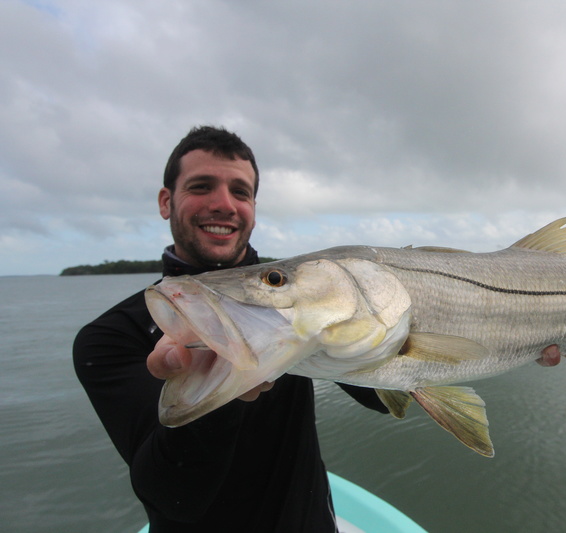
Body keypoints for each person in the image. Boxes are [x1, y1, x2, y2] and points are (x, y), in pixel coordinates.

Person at [73, 126, 388, 532]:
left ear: (254, 206)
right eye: (202, 186)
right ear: (166, 201)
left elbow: (383, 398)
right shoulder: (111, 336)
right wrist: (216, 389)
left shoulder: (304, 293)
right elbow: (173, 496)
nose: (224, 204)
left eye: (241, 192)